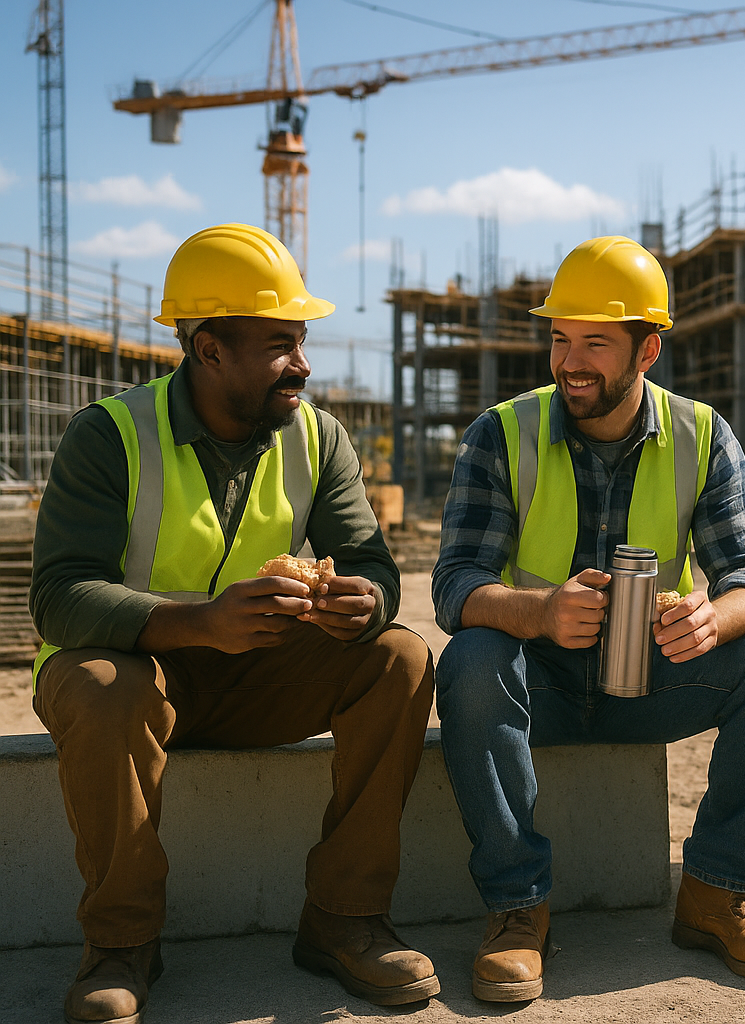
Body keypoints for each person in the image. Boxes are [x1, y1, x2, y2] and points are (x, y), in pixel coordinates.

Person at [29, 223, 440, 1024]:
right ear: (209, 350)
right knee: (103, 686)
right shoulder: (108, 436)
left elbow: (375, 565)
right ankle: (120, 946)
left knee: (398, 656)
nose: (304, 363)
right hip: (140, 680)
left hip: (260, 674)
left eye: (303, 340)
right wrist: (196, 622)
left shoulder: (320, 438)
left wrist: (367, 601)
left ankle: (345, 920)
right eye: (281, 344)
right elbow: (58, 595)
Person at [431, 235, 745, 1001]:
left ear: (648, 350)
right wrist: (537, 612)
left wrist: (716, 619)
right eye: (559, 339)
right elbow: (454, 584)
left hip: (651, 682)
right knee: (470, 658)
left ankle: (718, 892)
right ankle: (517, 907)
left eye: (595, 344)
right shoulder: (501, 434)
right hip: (535, 681)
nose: (570, 361)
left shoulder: (703, 436)